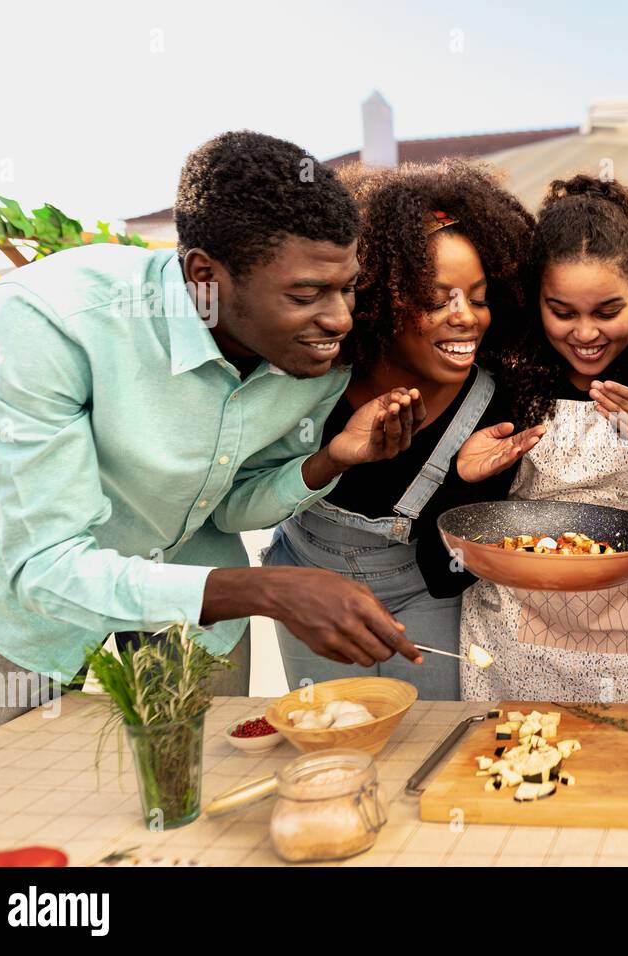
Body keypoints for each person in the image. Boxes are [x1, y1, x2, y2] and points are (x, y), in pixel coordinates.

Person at [0, 131, 423, 746]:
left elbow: (229, 506)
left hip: (197, 609)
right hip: (28, 608)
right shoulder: (51, 320)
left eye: (347, 287)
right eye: (305, 295)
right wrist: (266, 590)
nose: (338, 318)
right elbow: (45, 566)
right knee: (2, 794)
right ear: (205, 275)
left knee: (200, 784)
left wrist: (329, 459)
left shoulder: (320, 354)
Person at [263, 160, 537, 698]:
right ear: (378, 298)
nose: (465, 317)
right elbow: (246, 499)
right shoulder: (314, 379)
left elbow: (449, 572)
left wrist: (463, 482)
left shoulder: (494, 400)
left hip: (425, 594)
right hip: (309, 578)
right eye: (437, 299)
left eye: (478, 298)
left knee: (429, 739)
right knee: (334, 732)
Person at [455, 176, 628, 705]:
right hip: (523, 630)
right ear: (535, 302)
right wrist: (470, 474)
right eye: (563, 312)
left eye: (607, 312)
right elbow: (480, 513)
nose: (585, 333)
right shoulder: (502, 376)